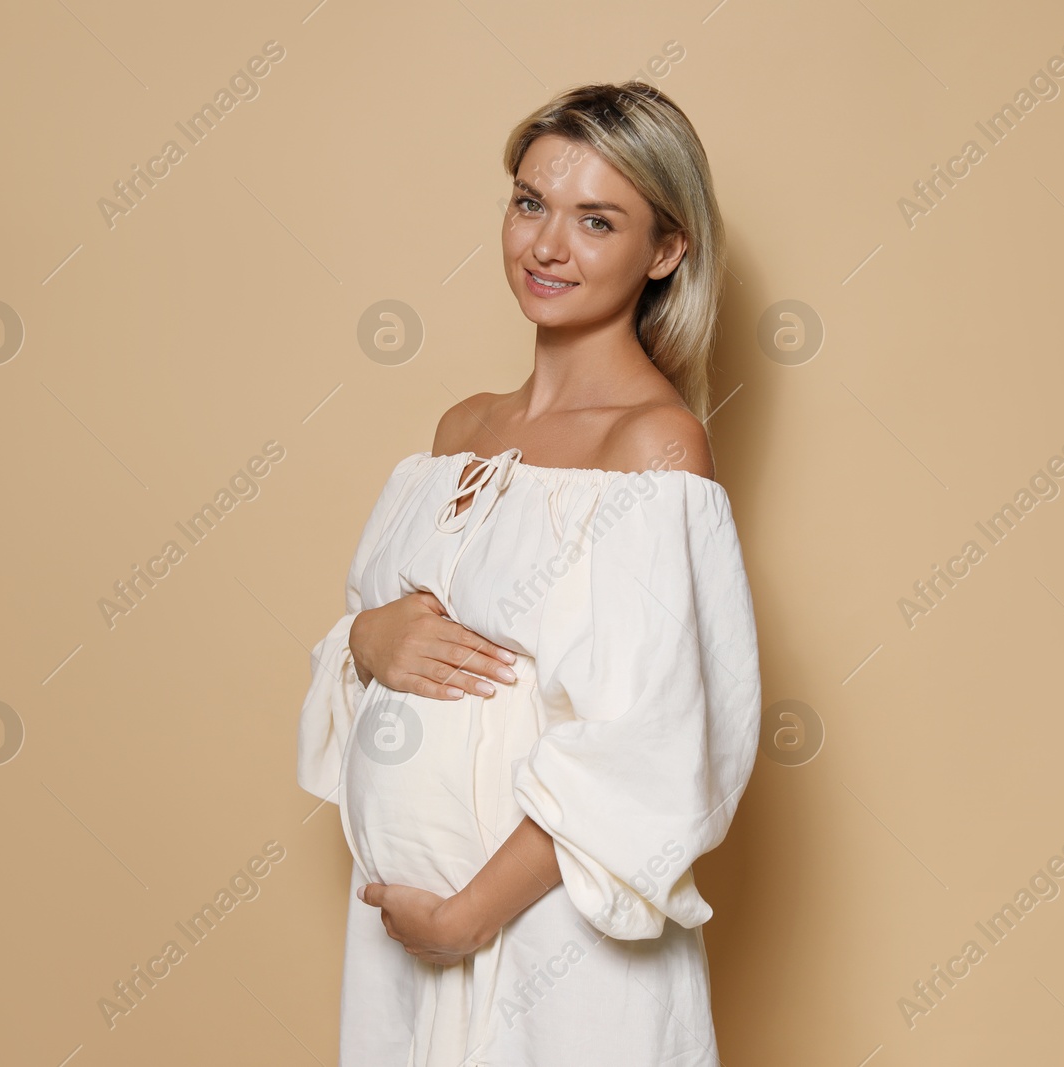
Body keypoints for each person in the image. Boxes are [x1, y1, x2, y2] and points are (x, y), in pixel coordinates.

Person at [297, 80, 762, 1066]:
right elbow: (387, 641)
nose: (547, 246)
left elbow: (649, 739)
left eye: (598, 220)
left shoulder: (655, 447)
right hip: (404, 945)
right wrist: (364, 640)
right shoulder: (458, 433)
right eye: (529, 202)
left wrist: (468, 914)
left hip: (559, 945)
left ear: (666, 251)